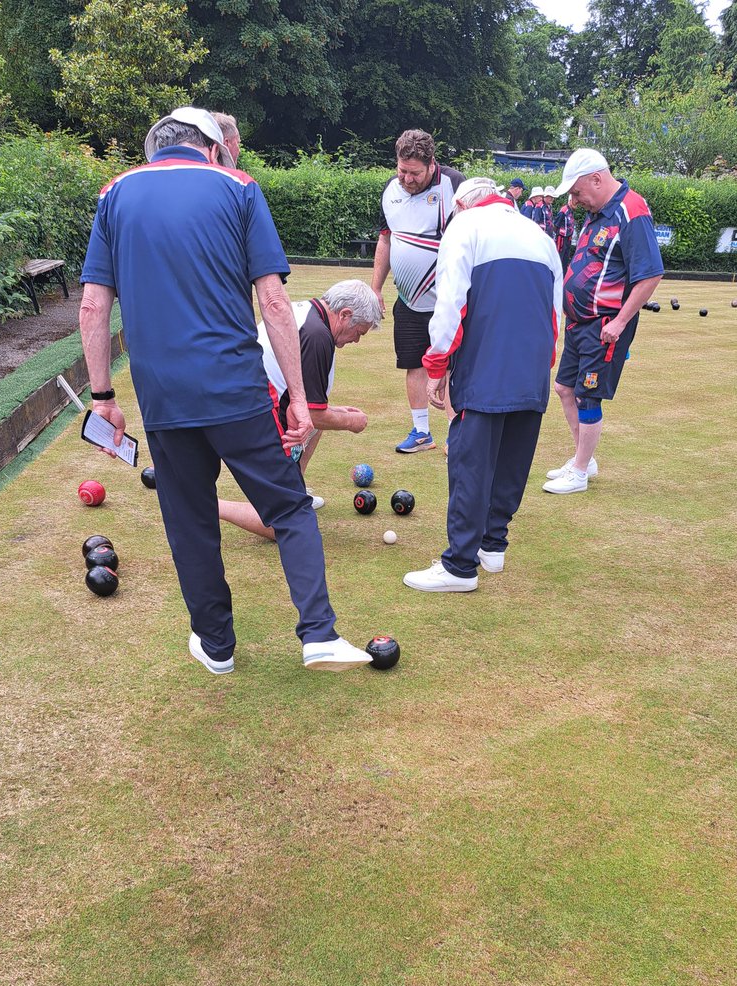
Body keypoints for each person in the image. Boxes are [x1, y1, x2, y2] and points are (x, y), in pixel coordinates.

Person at [79, 106, 371, 672]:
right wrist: (300, 402)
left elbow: (93, 306)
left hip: (162, 396)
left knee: (189, 520)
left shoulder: (115, 192)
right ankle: (319, 634)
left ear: (156, 147)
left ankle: (217, 647)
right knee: (290, 507)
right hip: (236, 387)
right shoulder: (238, 186)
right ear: (214, 147)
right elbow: (276, 302)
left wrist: (103, 398)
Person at [402, 178, 562, 592]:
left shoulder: (465, 227)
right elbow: (555, 312)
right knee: (512, 460)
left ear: (460, 205)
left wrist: (436, 363)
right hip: (532, 369)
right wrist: (541, 365)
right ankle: (493, 546)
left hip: (486, 366)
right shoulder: (540, 235)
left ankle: (459, 566)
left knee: (470, 463)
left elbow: (450, 303)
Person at [219, 279, 381, 539]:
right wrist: (351, 422)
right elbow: (313, 414)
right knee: (283, 523)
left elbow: (312, 406)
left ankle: (295, 489)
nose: (357, 340)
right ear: (344, 314)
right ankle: (206, 504)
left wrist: (336, 412)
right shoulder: (318, 336)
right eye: (359, 332)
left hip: (249, 401)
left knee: (319, 424)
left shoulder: (309, 313)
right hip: (253, 414)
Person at [543, 148, 664, 495]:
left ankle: (580, 471)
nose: (574, 201)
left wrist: (620, 322)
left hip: (605, 325)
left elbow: (650, 274)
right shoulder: (597, 212)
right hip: (579, 322)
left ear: (597, 179)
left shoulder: (631, 210)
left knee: (588, 396)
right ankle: (584, 458)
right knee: (564, 388)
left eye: (577, 192)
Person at [371, 129, 464, 453]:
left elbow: (470, 239)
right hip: (408, 300)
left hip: (449, 301)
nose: (407, 179)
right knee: (413, 363)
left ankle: (456, 433)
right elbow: (385, 239)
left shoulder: (454, 184)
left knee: (451, 366)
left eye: (415, 173)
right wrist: (376, 288)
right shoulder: (390, 189)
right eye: (402, 171)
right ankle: (422, 432)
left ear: (431, 164)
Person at [553, 190, 576, 272]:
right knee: (560, 256)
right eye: (575, 202)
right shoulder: (563, 211)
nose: (576, 205)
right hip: (562, 238)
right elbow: (556, 225)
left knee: (566, 257)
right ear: (570, 201)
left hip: (568, 237)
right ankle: (557, 273)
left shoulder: (570, 210)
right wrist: (558, 235)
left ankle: (564, 273)